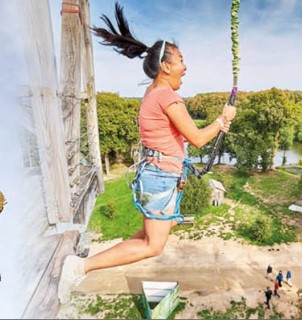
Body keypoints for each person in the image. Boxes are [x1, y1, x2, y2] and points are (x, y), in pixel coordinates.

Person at [57, 2, 236, 304]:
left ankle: (82, 267)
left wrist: (217, 124)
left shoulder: (155, 92)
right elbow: (197, 138)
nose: (185, 65)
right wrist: (221, 120)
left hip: (159, 175)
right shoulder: (167, 96)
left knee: (145, 238)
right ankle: (79, 267)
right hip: (159, 178)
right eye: (181, 59)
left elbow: (177, 137)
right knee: (153, 246)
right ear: (166, 66)